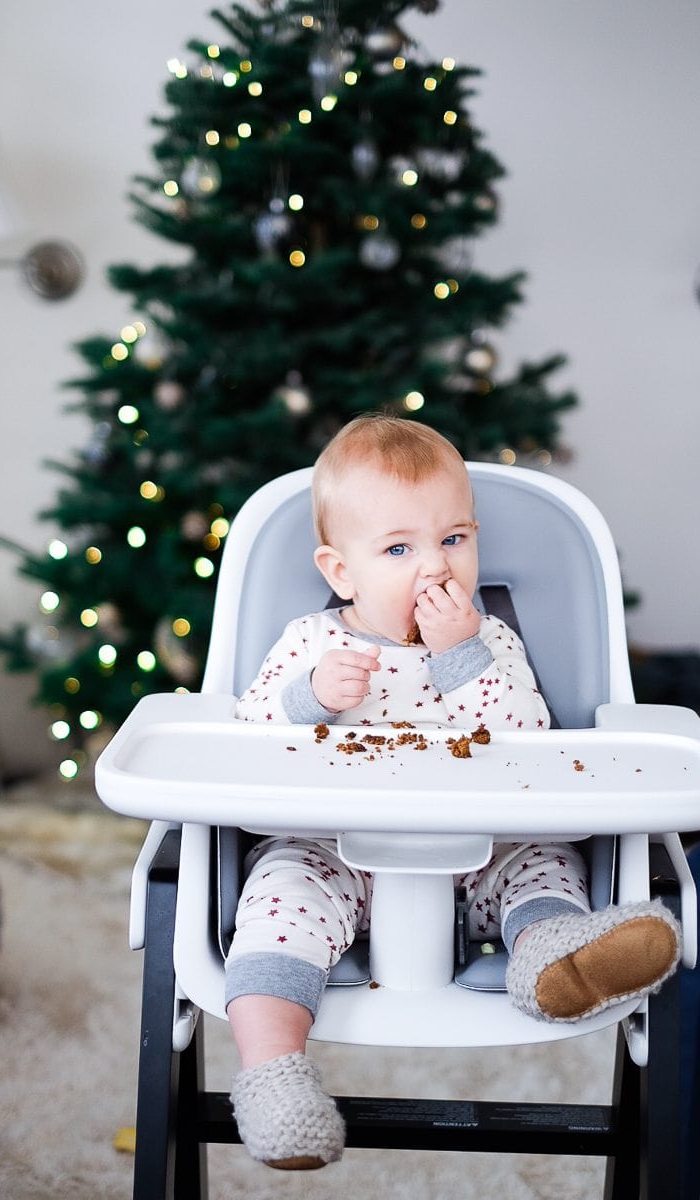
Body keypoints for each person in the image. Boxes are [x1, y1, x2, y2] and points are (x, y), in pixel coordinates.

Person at [226, 413, 681, 1171]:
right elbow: (246, 737)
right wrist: (308, 698)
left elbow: (529, 744)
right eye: (400, 548)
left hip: (482, 852)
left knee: (542, 864)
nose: (436, 567)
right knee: (277, 905)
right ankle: (272, 1078)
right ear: (341, 572)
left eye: (455, 540)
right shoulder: (314, 642)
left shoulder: (489, 641)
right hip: (329, 852)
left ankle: (550, 961)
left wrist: (460, 658)